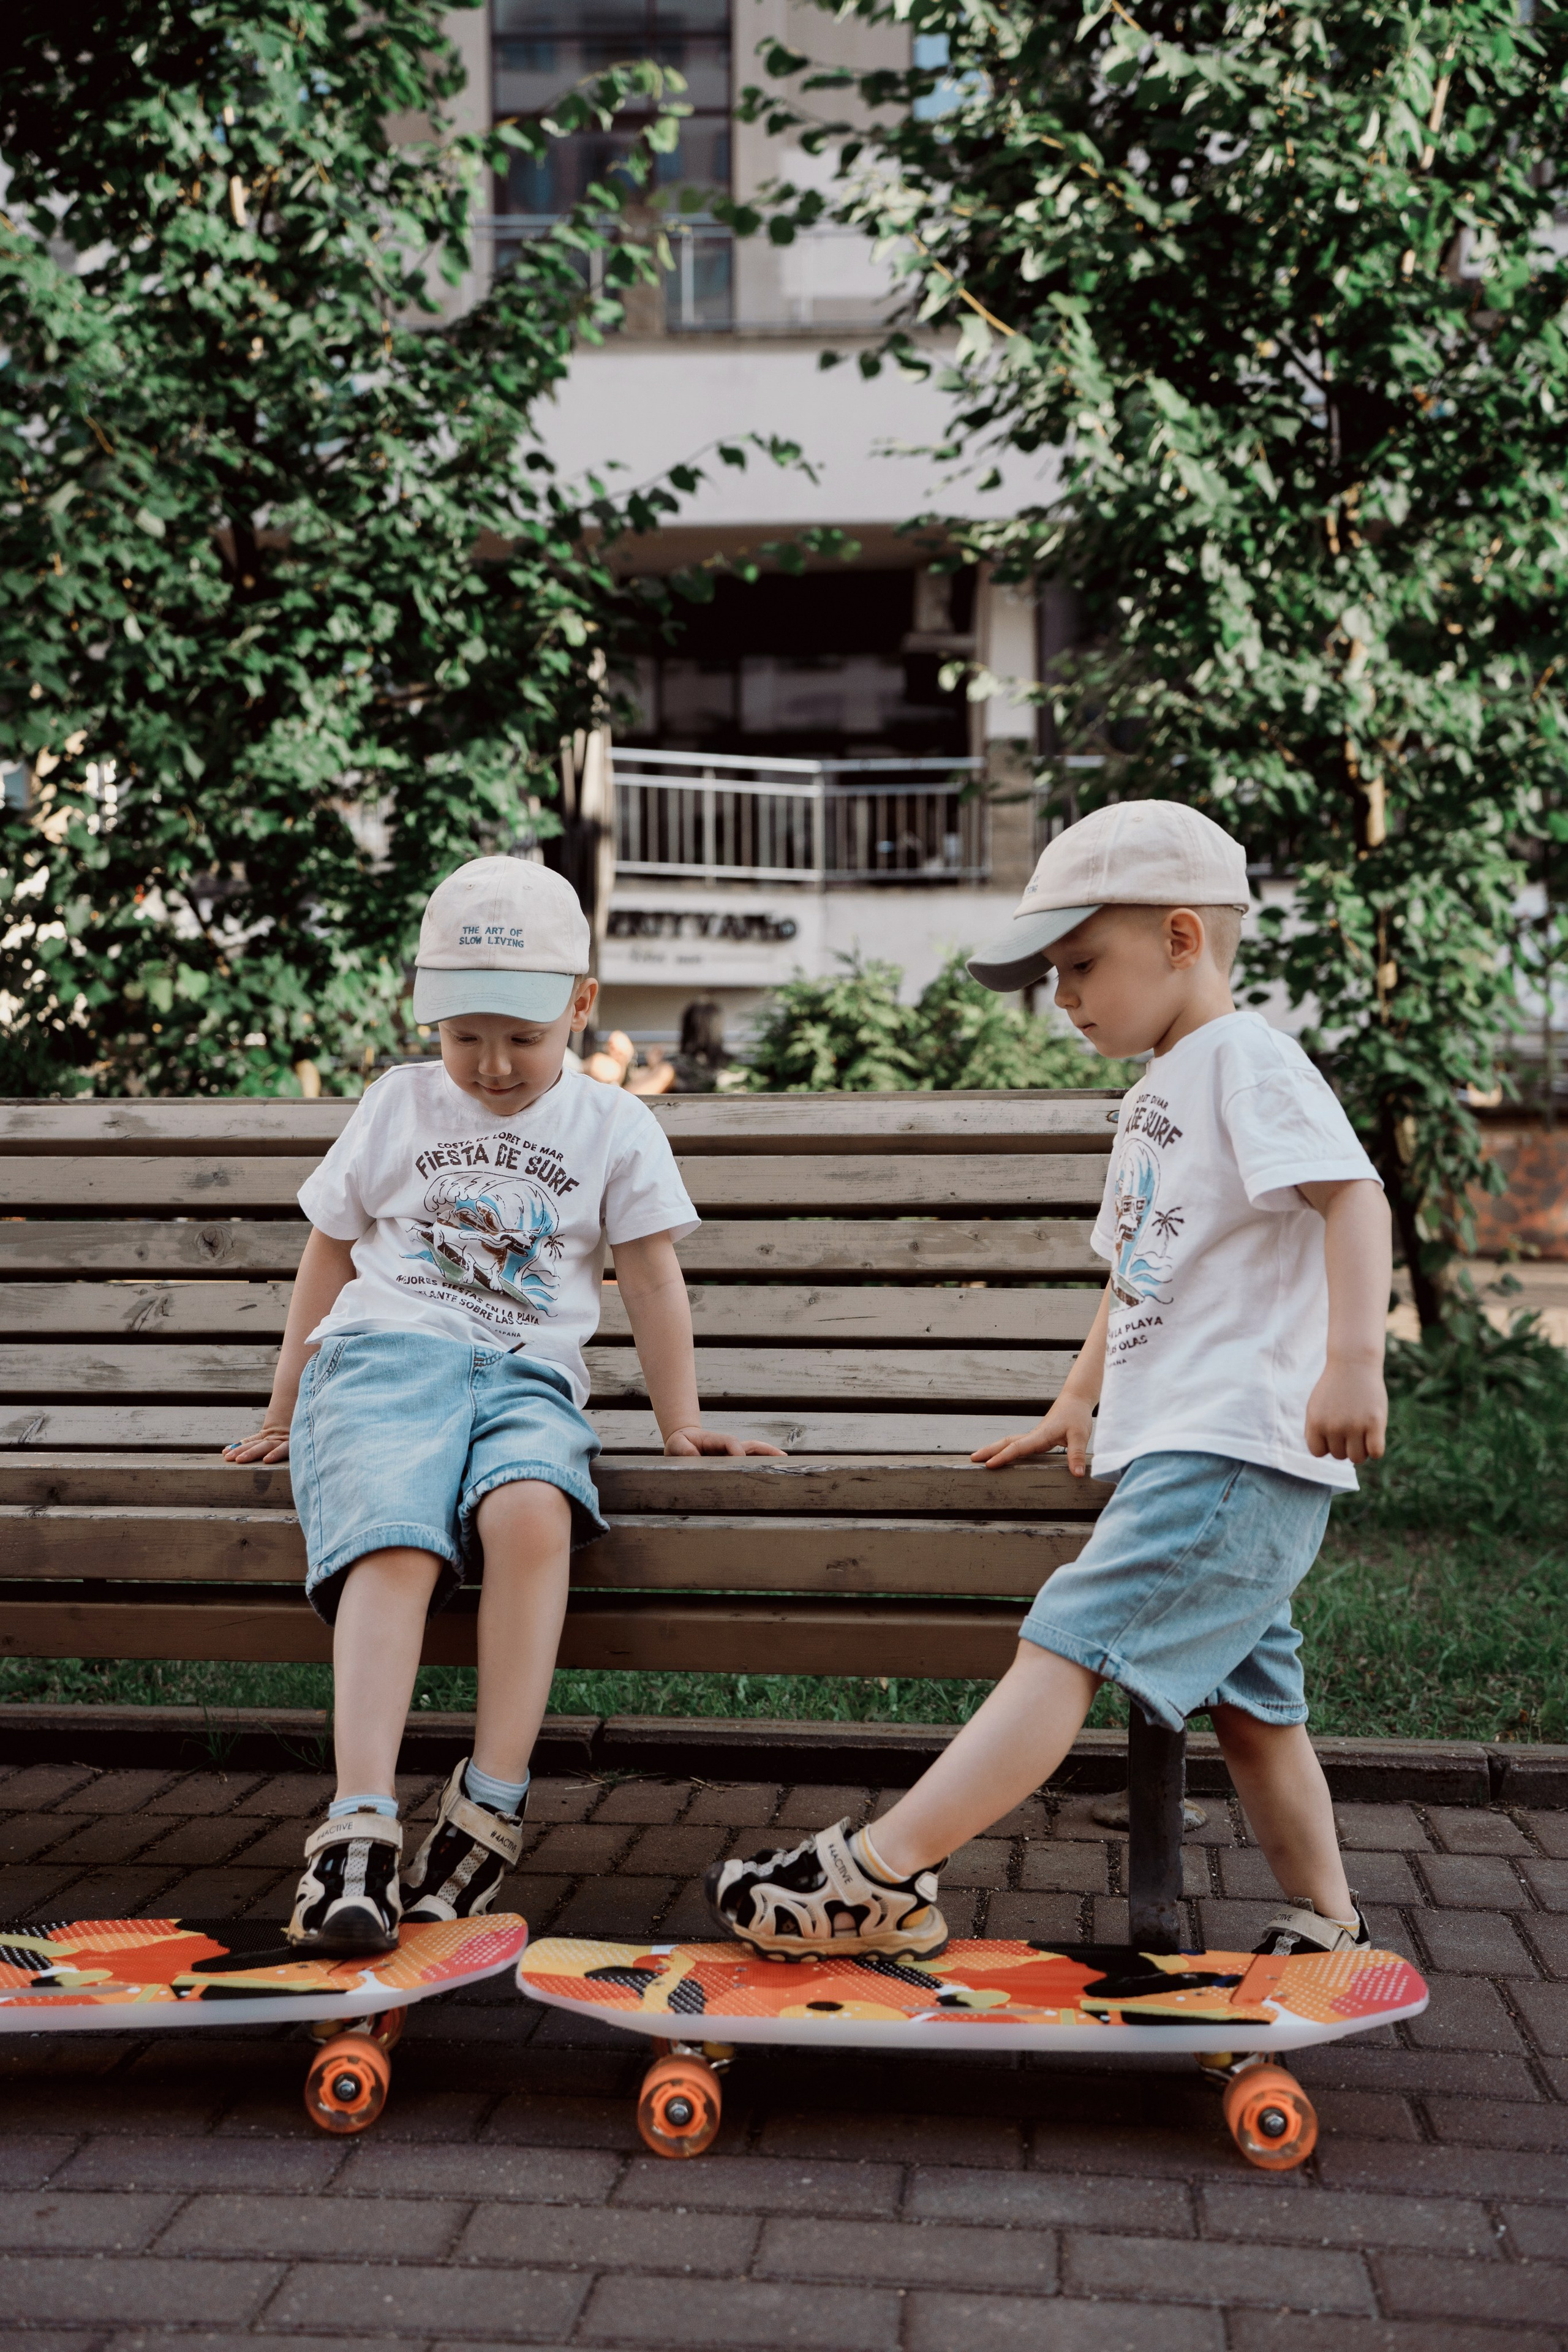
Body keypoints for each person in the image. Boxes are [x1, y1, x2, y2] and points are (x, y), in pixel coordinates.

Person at [707, 799, 1393, 1964]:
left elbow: (1355, 1195)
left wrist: (1355, 1360)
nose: (1064, 996)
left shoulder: (1247, 1059)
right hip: (1190, 1445)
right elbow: (1134, 1273)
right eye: (1053, 973)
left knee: (1066, 1642)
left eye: (1082, 963)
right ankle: (1327, 1922)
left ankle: (881, 1876)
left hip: (1233, 1446)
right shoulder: (1158, 1093)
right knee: (1256, 1707)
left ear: (1184, 938)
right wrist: (1080, 1398)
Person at [224, 856, 782, 1956]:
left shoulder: (615, 1129)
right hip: (383, 1361)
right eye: (463, 1035)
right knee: (396, 1544)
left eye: (522, 1038)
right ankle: (361, 1828)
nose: (489, 1064)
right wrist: (288, 1405)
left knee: (533, 1516)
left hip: (527, 1381)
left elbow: (653, 1278)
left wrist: (682, 1418)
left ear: (582, 1005)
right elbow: (328, 1252)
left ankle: (491, 1805)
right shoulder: (398, 1103)